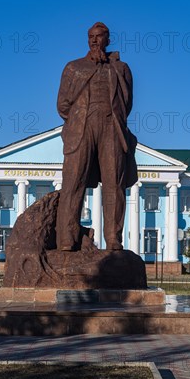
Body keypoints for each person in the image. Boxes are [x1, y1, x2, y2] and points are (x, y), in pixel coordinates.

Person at [56, 22, 138, 251]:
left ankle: (113, 238)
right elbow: (62, 105)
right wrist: (81, 116)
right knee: (74, 182)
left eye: (98, 37)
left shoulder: (121, 69)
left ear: (108, 39)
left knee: (114, 184)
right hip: (81, 129)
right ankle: (67, 238)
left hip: (111, 127)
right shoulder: (73, 67)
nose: (93, 41)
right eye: (90, 37)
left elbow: (126, 103)